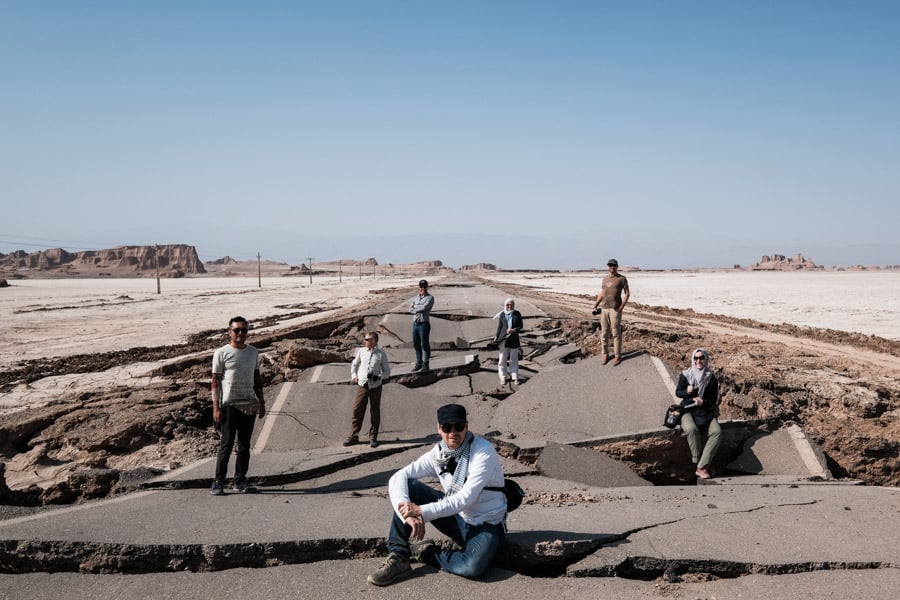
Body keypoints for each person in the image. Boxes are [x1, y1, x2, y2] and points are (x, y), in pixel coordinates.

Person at [367, 403, 507, 586]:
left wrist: (422, 511)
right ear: (439, 429)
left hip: (487, 524)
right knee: (409, 486)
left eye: (458, 426)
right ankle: (399, 557)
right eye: (447, 427)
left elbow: (465, 498)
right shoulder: (438, 455)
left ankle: (426, 552)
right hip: (458, 518)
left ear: (466, 426)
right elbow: (398, 477)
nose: (453, 432)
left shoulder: (483, 452)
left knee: (472, 567)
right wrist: (408, 515)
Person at [210, 316, 266, 495]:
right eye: (237, 330)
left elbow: (257, 378)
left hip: (249, 404)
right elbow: (215, 382)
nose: (240, 333)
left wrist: (262, 402)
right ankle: (218, 482)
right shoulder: (221, 353)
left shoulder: (253, 352)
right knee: (226, 445)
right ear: (230, 332)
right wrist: (216, 408)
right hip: (229, 405)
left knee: (244, 446)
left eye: (244, 330)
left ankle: (239, 481)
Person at [675, 348, 721, 479]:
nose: (698, 361)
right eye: (696, 358)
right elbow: (678, 392)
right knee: (691, 429)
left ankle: (701, 467)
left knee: (717, 431)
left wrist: (703, 402)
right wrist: (687, 392)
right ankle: (698, 461)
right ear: (692, 359)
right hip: (687, 410)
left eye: (701, 358)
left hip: (704, 411)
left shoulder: (711, 378)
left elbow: (713, 400)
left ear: (706, 359)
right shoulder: (686, 374)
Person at [344, 331, 391, 448]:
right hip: (362, 385)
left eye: (367, 339)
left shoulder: (381, 354)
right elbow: (354, 364)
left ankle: (373, 437)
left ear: (374, 341)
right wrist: (354, 376)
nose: (365, 341)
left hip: (375, 387)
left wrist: (379, 377)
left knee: (375, 412)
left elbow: (387, 371)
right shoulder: (361, 351)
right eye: (365, 339)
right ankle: (353, 436)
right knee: (357, 410)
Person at [592, 258, 630, 366]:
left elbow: (627, 293)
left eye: (614, 266)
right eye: (610, 265)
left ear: (617, 267)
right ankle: (605, 354)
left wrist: (622, 306)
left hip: (615, 309)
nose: (612, 267)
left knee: (616, 333)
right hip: (604, 309)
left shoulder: (622, 279)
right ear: (608, 267)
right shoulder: (604, 279)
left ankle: (617, 355)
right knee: (604, 333)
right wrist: (595, 305)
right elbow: (602, 293)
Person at [494, 298, 524, 384]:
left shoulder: (517, 314)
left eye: (511, 305)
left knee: (513, 359)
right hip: (503, 339)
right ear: (505, 305)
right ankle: (503, 376)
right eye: (508, 305)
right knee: (502, 359)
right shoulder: (502, 314)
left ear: (513, 305)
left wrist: (514, 330)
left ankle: (514, 377)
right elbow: (500, 326)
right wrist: (496, 336)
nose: (509, 306)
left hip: (514, 339)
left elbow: (520, 326)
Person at [409, 279, 434, 371]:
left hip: (424, 324)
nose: (423, 288)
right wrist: (417, 307)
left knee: (424, 344)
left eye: (425, 286)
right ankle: (419, 363)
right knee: (416, 344)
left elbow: (425, 307)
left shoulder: (430, 298)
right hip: (415, 323)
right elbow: (409, 309)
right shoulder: (416, 298)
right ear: (419, 287)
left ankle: (426, 364)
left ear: (427, 287)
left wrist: (415, 306)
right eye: (421, 286)